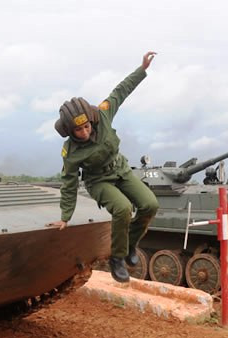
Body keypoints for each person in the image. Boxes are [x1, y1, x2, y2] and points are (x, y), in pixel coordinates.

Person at [48, 51, 160, 283]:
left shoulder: (103, 114)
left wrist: (142, 69)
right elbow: (68, 182)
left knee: (150, 204)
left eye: (87, 126)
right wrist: (65, 216)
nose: (85, 132)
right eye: (78, 130)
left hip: (121, 169)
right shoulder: (71, 152)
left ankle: (129, 247)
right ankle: (117, 258)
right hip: (98, 181)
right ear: (70, 131)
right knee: (122, 209)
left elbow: (120, 91)